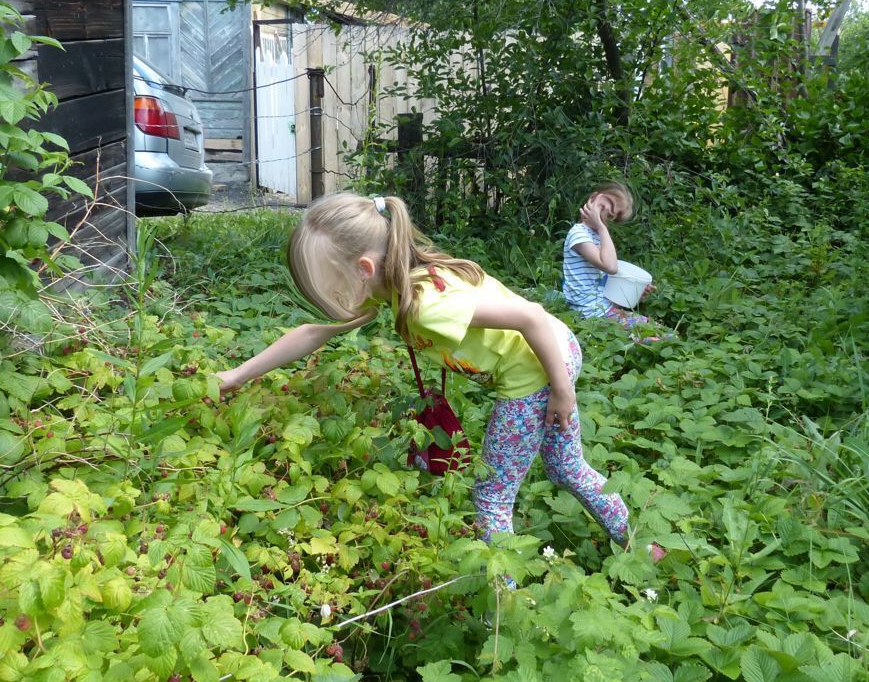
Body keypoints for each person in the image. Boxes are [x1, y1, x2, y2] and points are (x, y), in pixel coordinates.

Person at [215, 192, 659, 559]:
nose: (330, 301)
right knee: (565, 467)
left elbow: (533, 317)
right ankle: (645, 550)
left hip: (539, 370)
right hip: (552, 354)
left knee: (491, 496)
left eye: (330, 288)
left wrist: (561, 391)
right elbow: (314, 333)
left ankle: (505, 605)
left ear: (363, 270)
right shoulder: (398, 282)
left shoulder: (426, 304)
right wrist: (236, 375)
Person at [561, 181, 655, 335]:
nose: (608, 212)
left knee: (656, 329)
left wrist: (635, 292)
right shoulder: (578, 234)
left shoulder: (598, 237)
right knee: (651, 335)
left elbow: (603, 286)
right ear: (593, 198)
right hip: (590, 313)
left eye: (611, 216)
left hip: (602, 309)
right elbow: (610, 267)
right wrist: (601, 226)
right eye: (608, 203)